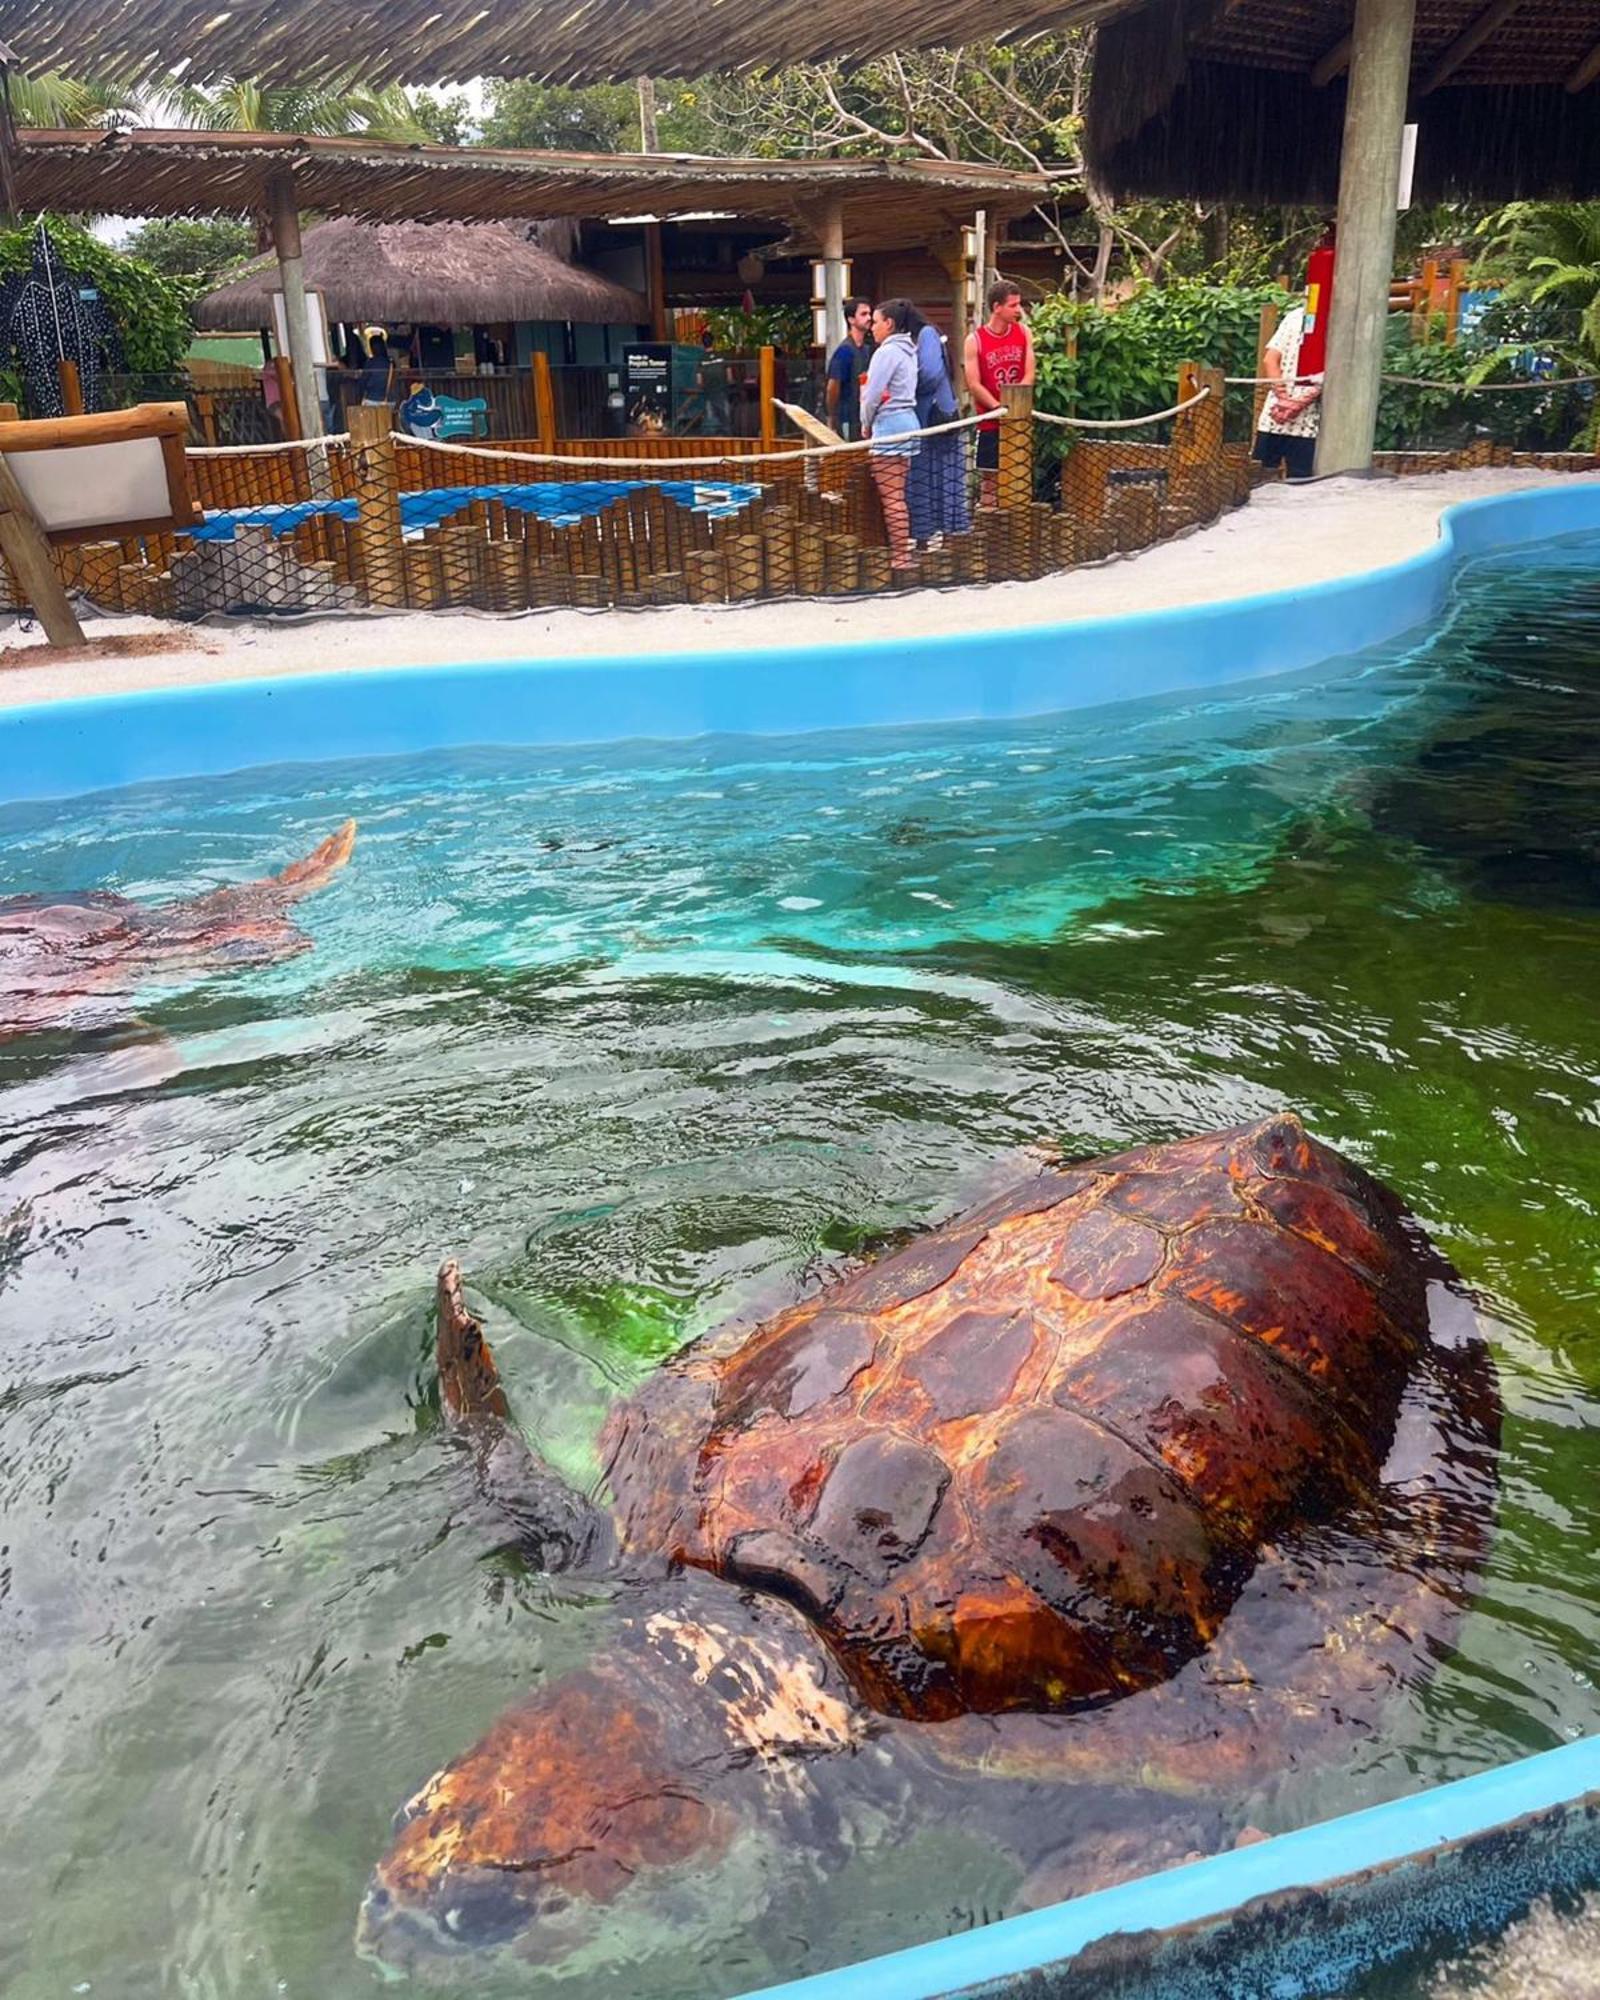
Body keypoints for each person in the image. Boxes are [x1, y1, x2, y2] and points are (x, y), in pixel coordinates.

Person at [860, 298, 920, 572]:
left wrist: (866, 422)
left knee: (892, 497)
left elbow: (872, 395)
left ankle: (900, 556)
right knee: (898, 494)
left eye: (875, 321)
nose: (872, 327)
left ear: (889, 323)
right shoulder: (909, 351)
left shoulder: (886, 353)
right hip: (908, 422)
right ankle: (901, 551)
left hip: (890, 425)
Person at [903, 304, 970, 549]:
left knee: (938, 478)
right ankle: (925, 537)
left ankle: (949, 539)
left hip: (935, 419)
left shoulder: (926, 335)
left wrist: (903, 384)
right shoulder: (922, 336)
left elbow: (930, 373)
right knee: (927, 478)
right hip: (926, 420)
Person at [964, 279, 1034, 509]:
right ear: (997, 307)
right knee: (990, 480)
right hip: (991, 423)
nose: (1018, 310)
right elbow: (974, 384)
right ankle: (989, 528)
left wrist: (1016, 405)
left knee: (1019, 476)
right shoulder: (975, 340)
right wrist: (997, 408)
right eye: (1013, 305)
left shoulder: (1024, 333)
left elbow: (1029, 374)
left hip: (1019, 419)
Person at [1252, 301, 1322, 481]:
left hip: (1279, 413)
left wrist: (1284, 399)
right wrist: (1292, 403)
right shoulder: (1296, 316)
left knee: (1259, 478)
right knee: (1301, 482)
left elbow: (1269, 359)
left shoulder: (1294, 315)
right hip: (1303, 421)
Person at [825, 296, 874, 441]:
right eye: (863, 314)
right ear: (851, 319)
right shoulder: (844, 351)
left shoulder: (866, 349)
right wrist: (832, 417)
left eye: (869, 313)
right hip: (846, 417)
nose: (869, 318)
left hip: (863, 417)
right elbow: (833, 386)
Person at [359, 333, 393, 409]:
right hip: (390, 400)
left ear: (372, 348)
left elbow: (363, 382)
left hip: (373, 399)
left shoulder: (371, 363)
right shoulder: (391, 363)